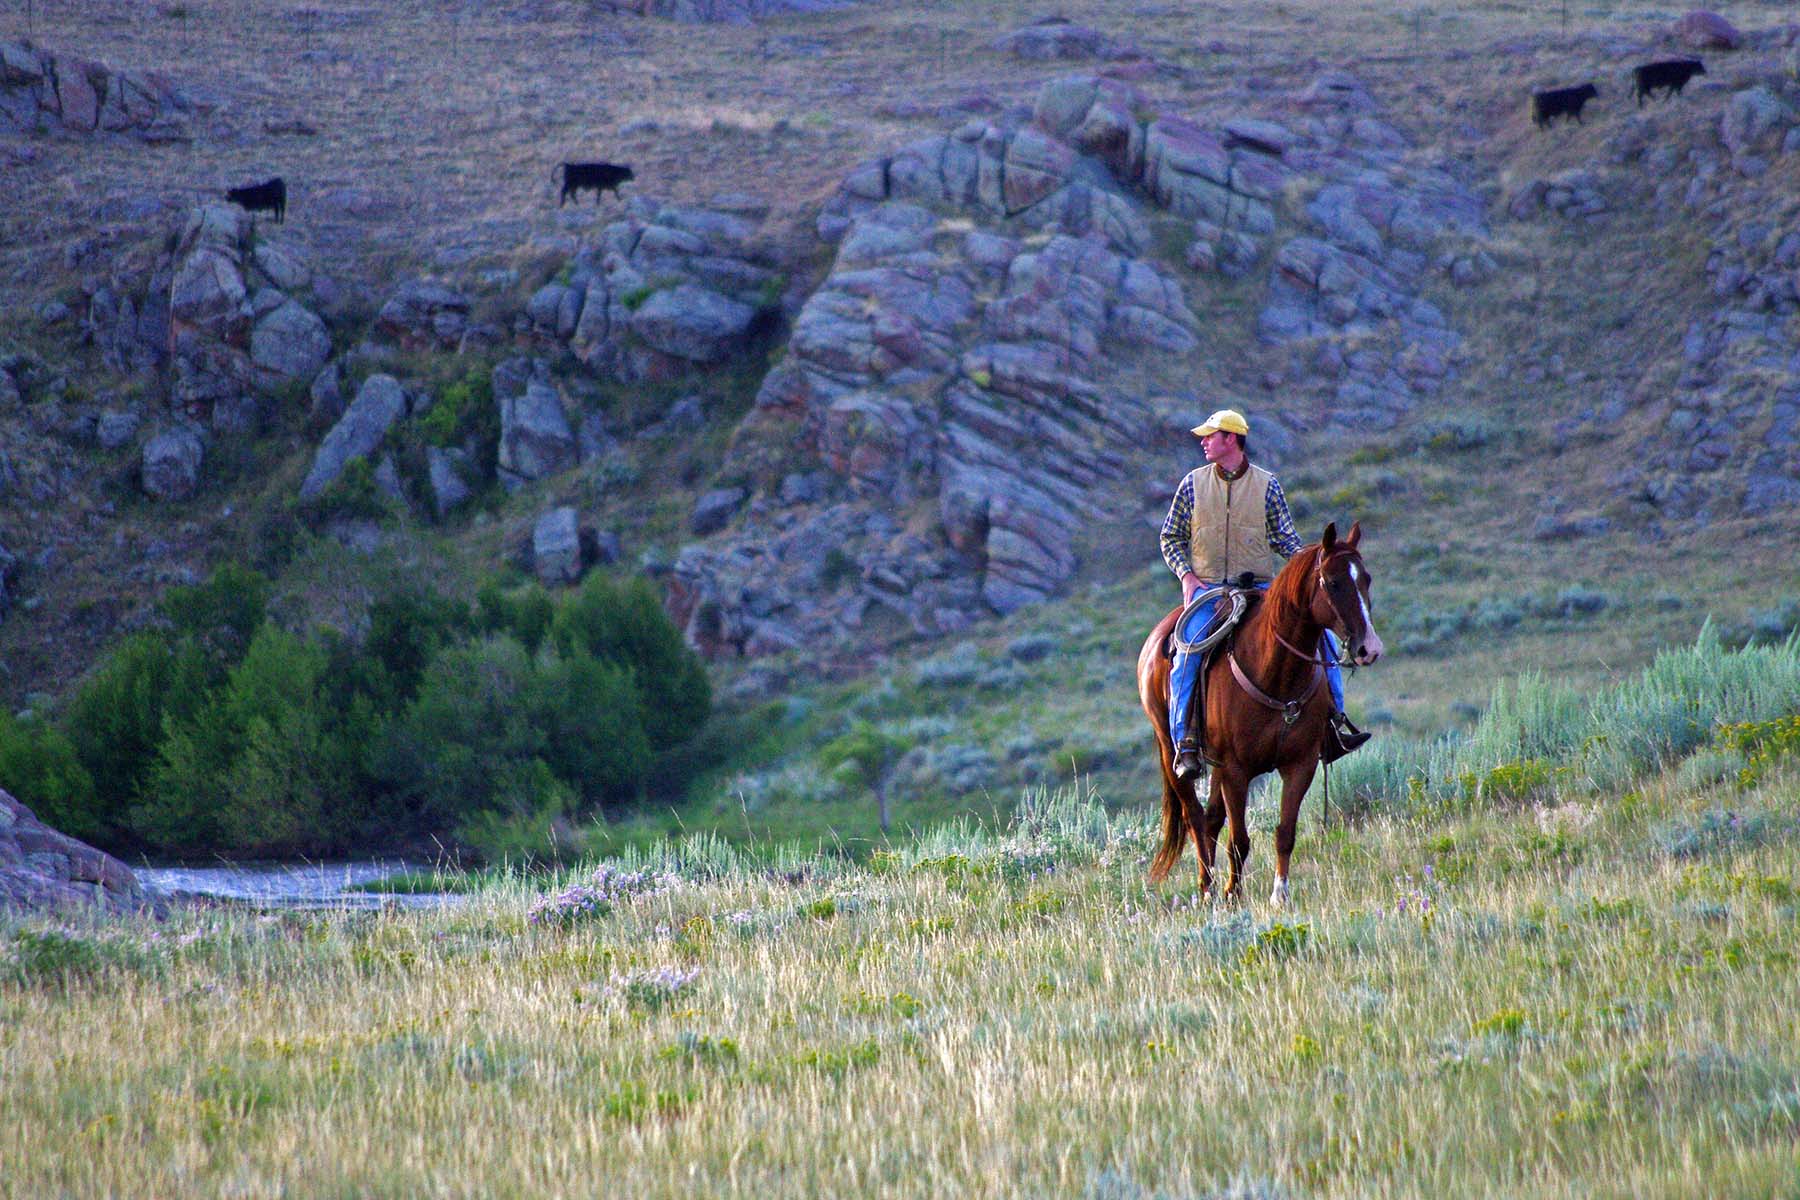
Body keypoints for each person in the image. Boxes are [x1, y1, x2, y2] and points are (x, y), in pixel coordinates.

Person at [1159, 407, 1370, 780]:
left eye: (1211, 435)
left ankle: (1334, 725)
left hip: (1261, 588)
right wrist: (1187, 576)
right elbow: (1170, 537)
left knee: (1320, 640)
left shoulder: (1266, 485)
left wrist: (1315, 564)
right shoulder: (1192, 484)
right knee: (1186, 655)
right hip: (1208, 591)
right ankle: (1186, 744)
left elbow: (1285, 539)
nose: (1204, 442)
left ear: (1232, 440)